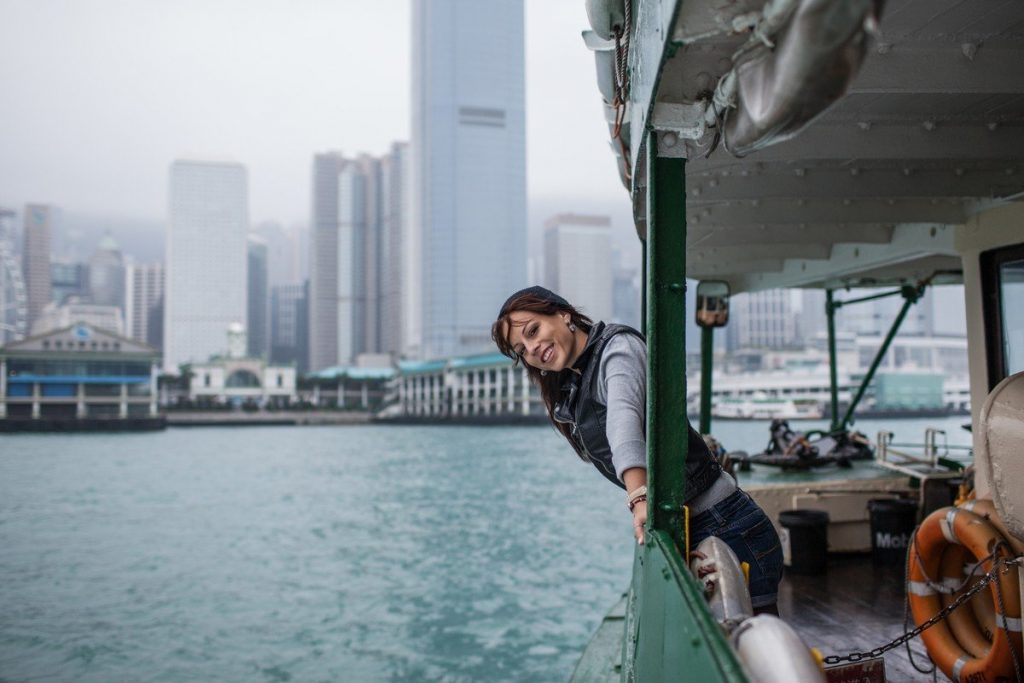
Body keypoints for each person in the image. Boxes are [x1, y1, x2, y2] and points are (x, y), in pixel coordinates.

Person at [491, 286, 783, 614]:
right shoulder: (576, 380)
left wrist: (638, 498)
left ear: (563, 314)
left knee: (756, 647)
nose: (532, 347)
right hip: (690, 525)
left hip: (728, 526)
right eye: (522, 349)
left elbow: (623, 419)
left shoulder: (618, 349)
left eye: (533, 331)